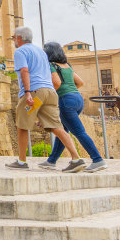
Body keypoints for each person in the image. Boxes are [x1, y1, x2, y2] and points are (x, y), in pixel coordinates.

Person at [8, 26, 80, 171]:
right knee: (57, 127)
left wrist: (27, 93)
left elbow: (24, 70)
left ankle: (22, 161)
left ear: (20, 38)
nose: (13, 40)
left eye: (14, 37)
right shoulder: (41, 52)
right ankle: (76, 159)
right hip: (50, 93)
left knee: (22, 125)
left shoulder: (20, 51)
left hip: (34, 94)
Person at [40, 42, 104, 173]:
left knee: (79, 132)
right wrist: (70, 91)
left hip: (65, 101)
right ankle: (51, 161)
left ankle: (97, 160)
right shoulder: (67, 66)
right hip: (77, 99)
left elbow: (56, 83)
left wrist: (50, 96)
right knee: (63, 131)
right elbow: (80, 82)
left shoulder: (51, 65)